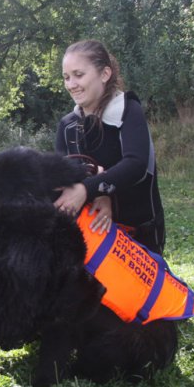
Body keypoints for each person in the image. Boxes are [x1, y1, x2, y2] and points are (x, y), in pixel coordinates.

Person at [54, 39, 165, 254]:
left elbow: (136, 165)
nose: (71, 84)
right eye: (66, 77)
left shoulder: (129, 111)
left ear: (104, 74)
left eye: (79, 75)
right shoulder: (67, 125)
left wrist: (89, 189)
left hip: (139, 233)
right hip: (86, 236)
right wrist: (97, 194)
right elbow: (63, 177)